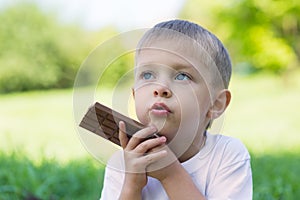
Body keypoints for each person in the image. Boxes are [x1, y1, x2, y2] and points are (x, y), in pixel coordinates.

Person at [100, 19, 252, 200]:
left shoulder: (227, 154)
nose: (160, 88)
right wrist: (132, 186)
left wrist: (170, 174)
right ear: (134, 95)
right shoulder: (122, 163)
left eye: (182, 76)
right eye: (147, 74)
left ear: (215, 104)